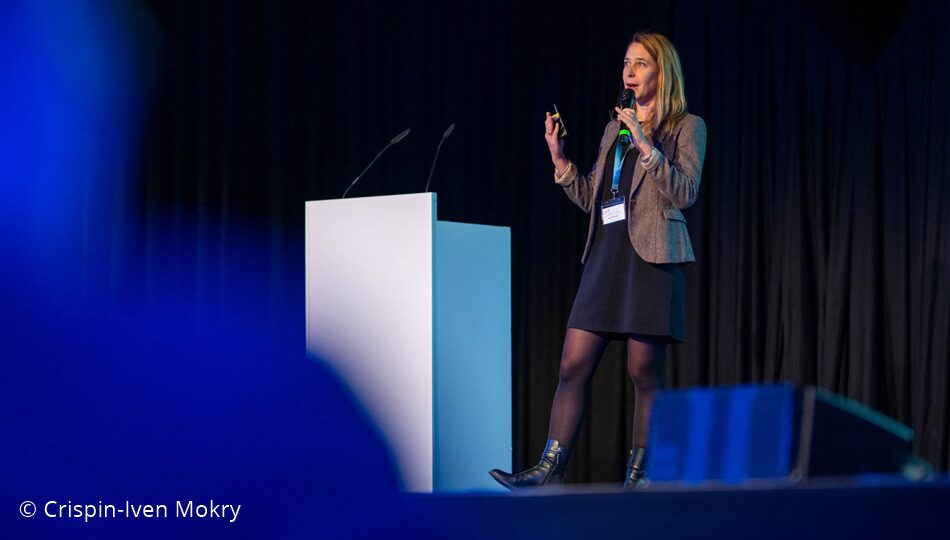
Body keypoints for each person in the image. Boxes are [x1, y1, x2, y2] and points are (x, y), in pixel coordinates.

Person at [490, 32, 706, 489]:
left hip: (651, 256)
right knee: (572, 364)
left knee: (643, 371)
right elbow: (593, 195)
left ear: (661, 72)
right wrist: (559, 157)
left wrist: (646, 143)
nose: (629, 71)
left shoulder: (686, 126)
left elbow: (685, 192)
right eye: (626, 62)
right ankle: (549, 470)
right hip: (606, 256)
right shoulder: (615, 128)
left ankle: (640, 477)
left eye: (641, 63)